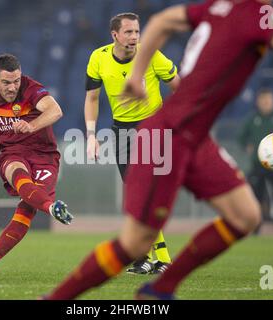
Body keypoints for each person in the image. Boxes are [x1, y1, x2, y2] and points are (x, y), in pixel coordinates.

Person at [45, 0, 273, 300]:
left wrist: (136, 76)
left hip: (193, 135)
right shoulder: (258, 12)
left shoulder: (219, 6)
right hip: (170, 134)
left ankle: (159, 289)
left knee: (246, 216)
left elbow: (162, 20)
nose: (134, 36)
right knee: (136, 243)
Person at [85, 12, 181, 274]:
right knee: (136, 198)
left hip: (153, 128)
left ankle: (161, 258)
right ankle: (145, 258)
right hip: (121, 132)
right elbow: (92, 99)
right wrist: (92, 137)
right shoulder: (98, 58)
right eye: (128, 32)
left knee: (147, 193)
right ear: (114, 35)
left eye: (137, 32)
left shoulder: (152, 54)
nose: (134, 37)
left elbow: (179, 87)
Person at [0, 54, 73, 279]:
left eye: (16, 81)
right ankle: (51, 208)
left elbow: (56, 111)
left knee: (27, 209)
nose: (13, 87)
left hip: (44, 156)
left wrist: (32, 125)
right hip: (12, 153)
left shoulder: (31, 89)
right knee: (17, 172)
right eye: (6, 82)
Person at [239, 88, 273, 235]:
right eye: (263, 100)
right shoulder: (252, 119)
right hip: (258, 164)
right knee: (256, 197)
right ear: (258, 102)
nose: (266, 103)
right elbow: (241, 137)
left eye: (269, 100)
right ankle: (256, 229)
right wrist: (246, 145)